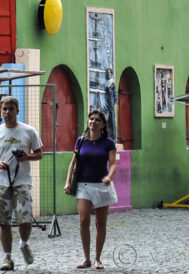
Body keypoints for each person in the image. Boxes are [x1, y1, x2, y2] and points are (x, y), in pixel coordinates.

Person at [0, 96, 43, 271]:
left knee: (25, 218)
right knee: (3, 221)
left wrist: (27, 156)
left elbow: (39, 153)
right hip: (2, 181)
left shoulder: (28, 131)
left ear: (17, 110)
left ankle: (24, 243)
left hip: (22, 181)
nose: (7, 112)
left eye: (10, 109)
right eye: (4, 109)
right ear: (1, 111)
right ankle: (7, 258)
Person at [64, 109, 118, 270]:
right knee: (83, 220)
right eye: (91, 119)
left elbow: (113, 164)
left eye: (97, 120)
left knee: (100, 223)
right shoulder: (81, 141)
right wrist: (67, 182)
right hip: (83, 185)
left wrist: (109, 177)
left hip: (101, 185)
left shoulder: (108, 143)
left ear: (103, 125)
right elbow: (72, 163)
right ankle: (86, 258)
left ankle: (97, 259)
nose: (93, 122)